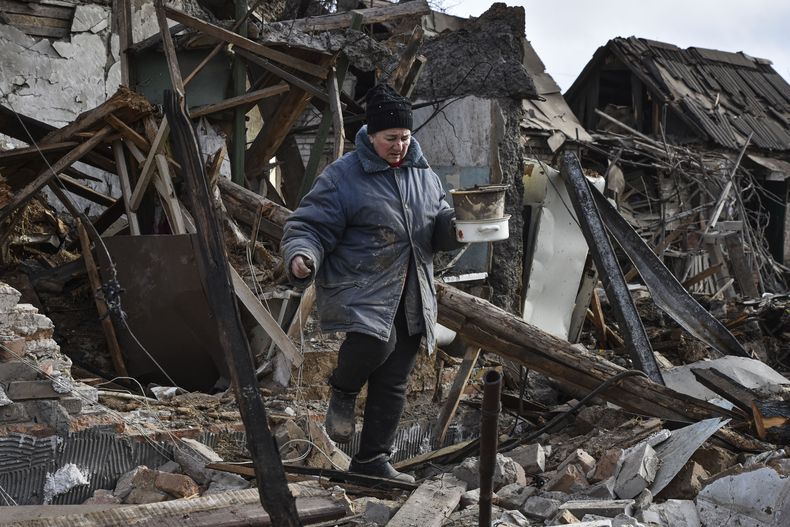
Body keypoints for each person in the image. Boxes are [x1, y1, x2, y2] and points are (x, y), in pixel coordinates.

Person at [281, 83, 462, 481]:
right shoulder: (343, 176)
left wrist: (461, 226)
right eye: (390, 138)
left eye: (405, 137)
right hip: (362, 286)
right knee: (377, 341)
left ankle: (371, 462)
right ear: (371, 135)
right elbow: (308, 225)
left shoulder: (424, 175)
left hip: (411, 290)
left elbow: (438, 228)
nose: (399, 146)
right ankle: (342, 394)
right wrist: (302, 256)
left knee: (394, 379)